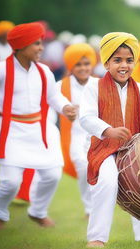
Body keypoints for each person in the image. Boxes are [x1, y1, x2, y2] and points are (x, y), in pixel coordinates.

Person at [79, 32, 140, 248]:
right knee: (107, 182)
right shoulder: (93, 87)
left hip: (135, 149)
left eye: (129, 60)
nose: (124, 65)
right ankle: (97, 238)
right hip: (103, 148)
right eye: (117, 60)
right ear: (106, 62)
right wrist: (108, 130)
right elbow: (86, 118)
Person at [0, 22, 77, 230]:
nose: (41, 48)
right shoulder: (0, 70)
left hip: (39, 129)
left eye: (41, 43)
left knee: (52, 175)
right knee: (11, 182)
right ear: (20, 46)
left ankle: (38, 212)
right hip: (10, 131)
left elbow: (53, 96)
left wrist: (65, 107)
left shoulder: (44, 71)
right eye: (36, 44)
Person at [58, 43, 98, 217]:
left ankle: (98, 206)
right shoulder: (61, 85)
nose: (83, 68)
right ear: (70, 66)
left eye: (86, 64)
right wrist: (65, 109)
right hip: (74, 134)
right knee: (83, 167)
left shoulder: (100, 84)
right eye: (78, 64)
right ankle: (89, 209)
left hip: (97, 134)